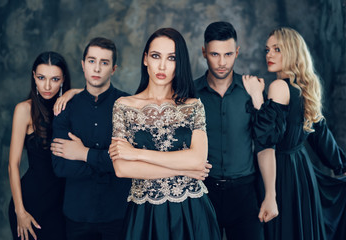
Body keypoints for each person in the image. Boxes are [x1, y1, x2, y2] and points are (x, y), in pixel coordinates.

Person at [109, 28, 221, 240]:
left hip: (191, 210)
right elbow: (122, 168)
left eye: (171, 58)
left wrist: (137, 153)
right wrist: (184, 169)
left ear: (179, 64)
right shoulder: (123, 106)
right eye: (155, 56)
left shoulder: (193, 106)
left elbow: (198, 160)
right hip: (145, 213)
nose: (162, 66)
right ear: (145, 59)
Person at [243, 27, 346, 240]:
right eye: (267, 49)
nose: (269, 54)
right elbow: (322, 137)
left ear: (292, 51)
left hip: (280, 174)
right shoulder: (304, 89)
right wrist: (341, 166)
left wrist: (256, 97)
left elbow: (266, 139)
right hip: (301, 171)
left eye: (277, 49)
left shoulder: (279, 86)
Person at [193, 21, 278, 240]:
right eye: (214, 54)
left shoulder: (252, 90)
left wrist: (270, 195)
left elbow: (265, 145)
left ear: (237, 52)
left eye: (228, 54)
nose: (222, 62)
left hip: (245, 193)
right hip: (202, 192)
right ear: (204, 52)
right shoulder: (190, 94)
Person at [50, 37, 130, 240]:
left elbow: (127, 163)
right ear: (83, 65)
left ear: (113, 69)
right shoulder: (65, 107)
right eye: (92, 61)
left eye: (104, 63)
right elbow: (60, 166)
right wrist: (106, 162)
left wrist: (82, 154)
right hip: (77, 215)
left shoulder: (128, 106)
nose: (97, 68)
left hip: (117, 214)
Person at [8, 51, 73, 240]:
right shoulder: (24, 109)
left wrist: (73, 92)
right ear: (33, 76)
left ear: (62, 80)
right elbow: (13, 165)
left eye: (54, 79)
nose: (47, 86)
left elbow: (93, 92)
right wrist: (20, 211)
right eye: (41, 77)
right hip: (30, 203)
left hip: (61, 205)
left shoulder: (71, 106)